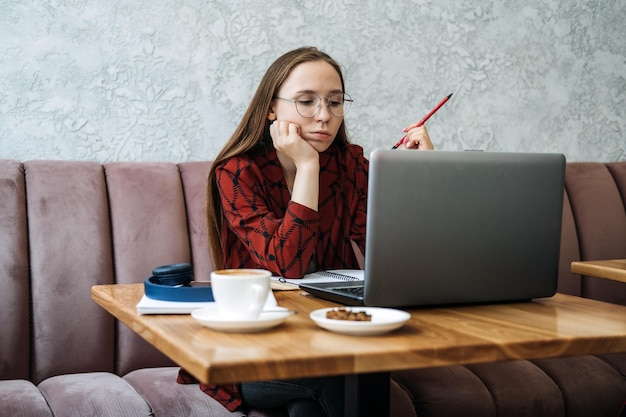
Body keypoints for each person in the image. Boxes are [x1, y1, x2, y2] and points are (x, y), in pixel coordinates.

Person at [180, 46, 433, 416]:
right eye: (306, 101)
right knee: (344, 376)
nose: (324, 116)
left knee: (313, 404)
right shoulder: (236, 173)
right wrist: (307, 166)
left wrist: (419, 179)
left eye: (334, 102)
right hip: (251, 348)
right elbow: (289, 264)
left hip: (331, 332)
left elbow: (394, 253)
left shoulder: (349, 165)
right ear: (271, 108)